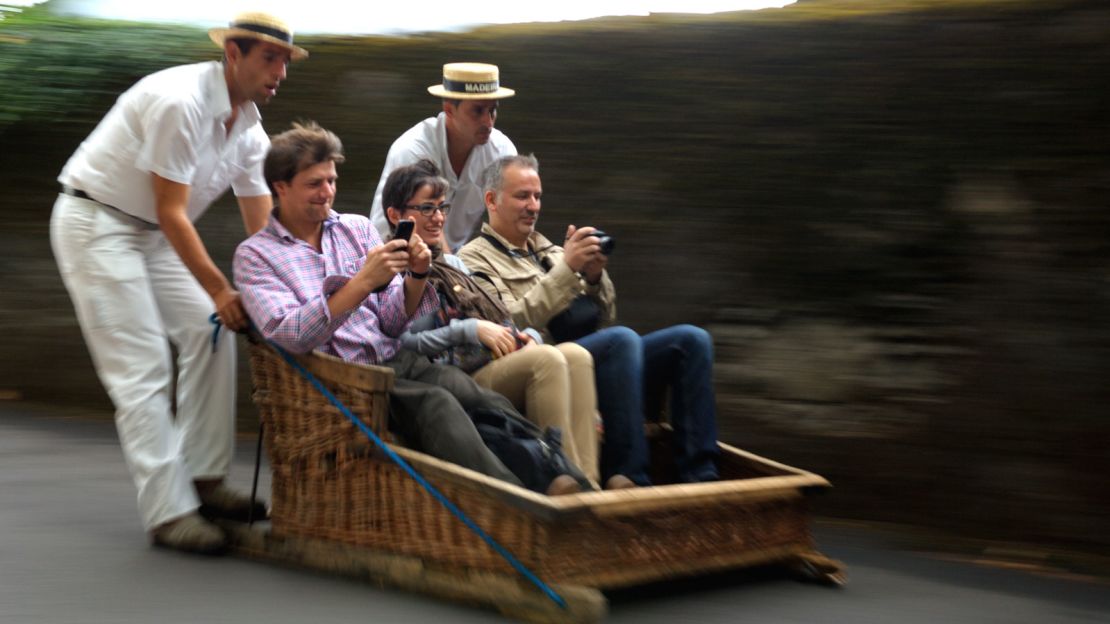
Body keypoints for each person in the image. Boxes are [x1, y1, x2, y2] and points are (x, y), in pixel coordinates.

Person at [50, 12, 308, 555]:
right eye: (269, 58)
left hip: (150, 235)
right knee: (143, 367)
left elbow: (262, 228)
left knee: (210, 331)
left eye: (285, 60)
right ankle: (168, 512)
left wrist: (288, 298)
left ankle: (205, 481)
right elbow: (173, 212)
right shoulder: (180, 101)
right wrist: (221, 288)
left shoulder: (249, 129)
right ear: (232, 54)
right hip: (97, 224)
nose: (280, 70)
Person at [233, 122, 584, 498]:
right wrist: (361, 283)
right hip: (340, 379)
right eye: (315, 184)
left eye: (332, 181)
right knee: (438, 404)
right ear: (281, 187)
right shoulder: (256, 256)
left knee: (479, 398)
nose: (328, 192)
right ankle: (518, 503)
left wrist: (417, 275)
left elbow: (393, 321)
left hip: (395, 358)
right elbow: (292, 336)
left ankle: (560, 475)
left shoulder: (356, 229)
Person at [459, 155, 721, 487]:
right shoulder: (473, 259)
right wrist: (566, 271)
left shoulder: (553, 250)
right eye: (522, 196)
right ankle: (629, 474)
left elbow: (607, 321)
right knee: (622, 340)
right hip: (548, 364)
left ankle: (701, 474)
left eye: (537, 196)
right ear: (491, 200)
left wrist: (595, 278)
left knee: (691, 340)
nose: (533, 206)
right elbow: (508, 322)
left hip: (600, 358)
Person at [382, 159, 602, 485]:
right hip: (456, 375)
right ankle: (561, 477)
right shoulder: (389, 268)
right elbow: (400, 341)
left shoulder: (454, 263)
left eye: (442, 207)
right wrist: (468, 330)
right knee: (547, 361)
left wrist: (525, 336)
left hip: (491, 358)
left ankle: (590, 482)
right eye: (427, 208)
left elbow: (498, 314)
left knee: (576, 355)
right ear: (396, 216)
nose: (438, 217)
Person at [369, 62, 517, 251]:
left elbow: (510, 217)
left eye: (492, 111)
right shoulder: (412, 149)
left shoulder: (502, 151)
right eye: (478, 111)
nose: (488, 121)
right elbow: (423, 229)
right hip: (396, 255)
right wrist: (458, 275)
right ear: (449, 110)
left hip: (452, 260)